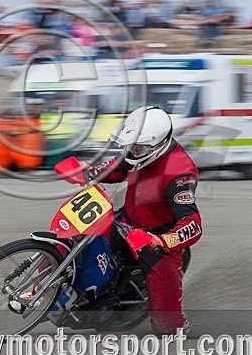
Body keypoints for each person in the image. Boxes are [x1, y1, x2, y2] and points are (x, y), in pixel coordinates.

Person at [66, 106, 203, 335]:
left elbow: (193, 225)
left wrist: (161, 241)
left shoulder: (180, 173)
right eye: (131, 146)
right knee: (76, 237)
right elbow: (120, 166)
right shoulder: (139, 152)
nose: (131, 152)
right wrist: (89, 172)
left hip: (157, 239)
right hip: (127, 222)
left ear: (156, 146)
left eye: (137, 148)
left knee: (168, 329)